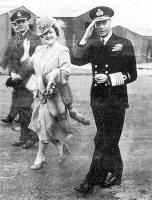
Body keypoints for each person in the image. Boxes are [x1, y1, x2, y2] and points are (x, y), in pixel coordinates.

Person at [71, 6, 137, 195]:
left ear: (111, 22)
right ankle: (116, 172)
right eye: (97, 23)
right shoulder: (93, 45)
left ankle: (91, 181)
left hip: (116, 101)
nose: (101, 26)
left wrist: (110, 79)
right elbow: (75, 60)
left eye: (104, 22)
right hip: (98, 100)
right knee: (108, 140)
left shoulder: (124, 43)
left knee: (102, 140)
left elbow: (132, 75)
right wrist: (84, 38)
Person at [21, 16, 89, 170]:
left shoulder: (62, 50)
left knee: (46, 125)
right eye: (45, 34)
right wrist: (26, 51)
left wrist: (54, 76)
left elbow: (65, 73)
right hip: (39, 94)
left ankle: (41, 156)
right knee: (43, 125)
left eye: (51, 32)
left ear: (56, 32)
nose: (48, 36)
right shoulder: (39, 49)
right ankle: (60, 146)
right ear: (42, 37)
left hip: (54, 94)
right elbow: (28, 66)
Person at [2, 9, 41, 149]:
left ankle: (33, 137)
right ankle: (23, 137)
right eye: (17, 22)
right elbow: (14, 60)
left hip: (29, 79)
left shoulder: (35, 38)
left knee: (26, 109)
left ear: (28, 21)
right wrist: (12, 73)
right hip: (18, 80)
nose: (20, 25)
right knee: (21, 109)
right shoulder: (17, 37)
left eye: (22, 21)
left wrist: (19, 75)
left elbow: (33, 63)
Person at [1, 22, 20, 128]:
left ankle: (22, 118)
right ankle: (11, 116)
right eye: (15, 26)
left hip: (25, 73)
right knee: (15, 95)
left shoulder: (29, 39)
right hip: (15, 72)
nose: (17, 27)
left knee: (24, 97)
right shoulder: (12, 40)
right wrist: (11, 73)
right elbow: (9, 56)